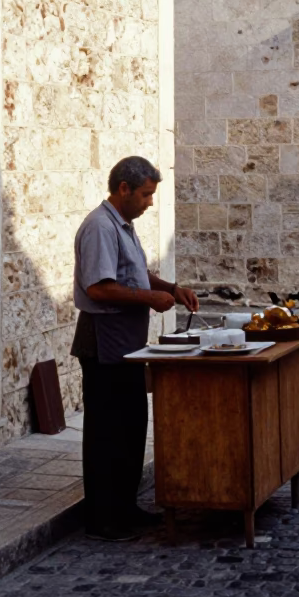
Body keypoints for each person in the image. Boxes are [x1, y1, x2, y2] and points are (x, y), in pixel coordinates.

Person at [71, 156, 200, 541]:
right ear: (123, 189)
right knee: (106, 432)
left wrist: (171, 289)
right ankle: (102, 518)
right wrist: (148, 298)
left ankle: (125, 508)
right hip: (103, 341)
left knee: (130, 428)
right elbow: (99, 288)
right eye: (145, 195)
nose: (149, 203)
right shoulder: (99, 227)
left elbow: (136, 274)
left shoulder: (123, 226)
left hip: (126, 343)